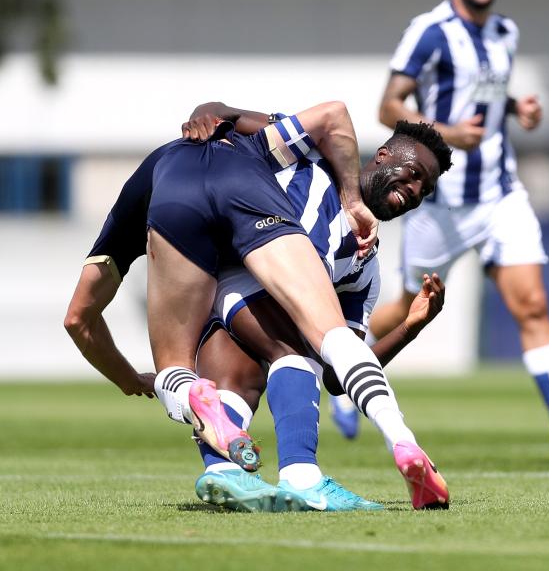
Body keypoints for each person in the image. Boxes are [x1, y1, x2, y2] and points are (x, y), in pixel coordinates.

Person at [67, 101, 452, 509]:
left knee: (206, 369)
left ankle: (221, 467)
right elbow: (288, 116)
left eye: (424, 191)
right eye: (414, 176)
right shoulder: (312, 155)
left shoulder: (365, 267)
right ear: (383, 155)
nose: (414, 192)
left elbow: (339, 380)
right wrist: (210, 111)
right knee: (307, 342)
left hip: (194, 236)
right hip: (242, 228)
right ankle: (337, 465)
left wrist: (408, 327)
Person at [370, 0, 549, 460]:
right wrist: (447, 135)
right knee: (410, 305)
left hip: (501, 194)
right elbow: (388, 108)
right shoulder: (429, 32)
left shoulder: (505, 31)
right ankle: (354, 363)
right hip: (440, 202)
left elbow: (486, 95)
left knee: (533, 303)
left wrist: (515, 108)